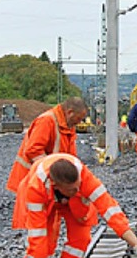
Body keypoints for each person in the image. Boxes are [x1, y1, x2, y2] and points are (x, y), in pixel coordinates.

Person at [17, 153, 137, 258]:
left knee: (80, 240)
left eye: (78, 186)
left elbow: (110, 211)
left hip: (74, 203)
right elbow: (37, 238)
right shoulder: (36, 189)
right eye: (73, 189)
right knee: (46, 245)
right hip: (45, 201)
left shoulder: (84, 179)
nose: (78, 189)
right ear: (56, 186)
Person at [7, 97, 88, 228]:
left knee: (49, 223)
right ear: (70, 112)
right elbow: (33, 150)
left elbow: (69, 155)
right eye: (78, 118)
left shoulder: (67, 124)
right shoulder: (47, 121)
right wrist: (56, 172)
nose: (79, 123)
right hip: (33, 181)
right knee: (36, 225)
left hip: (49, 182)